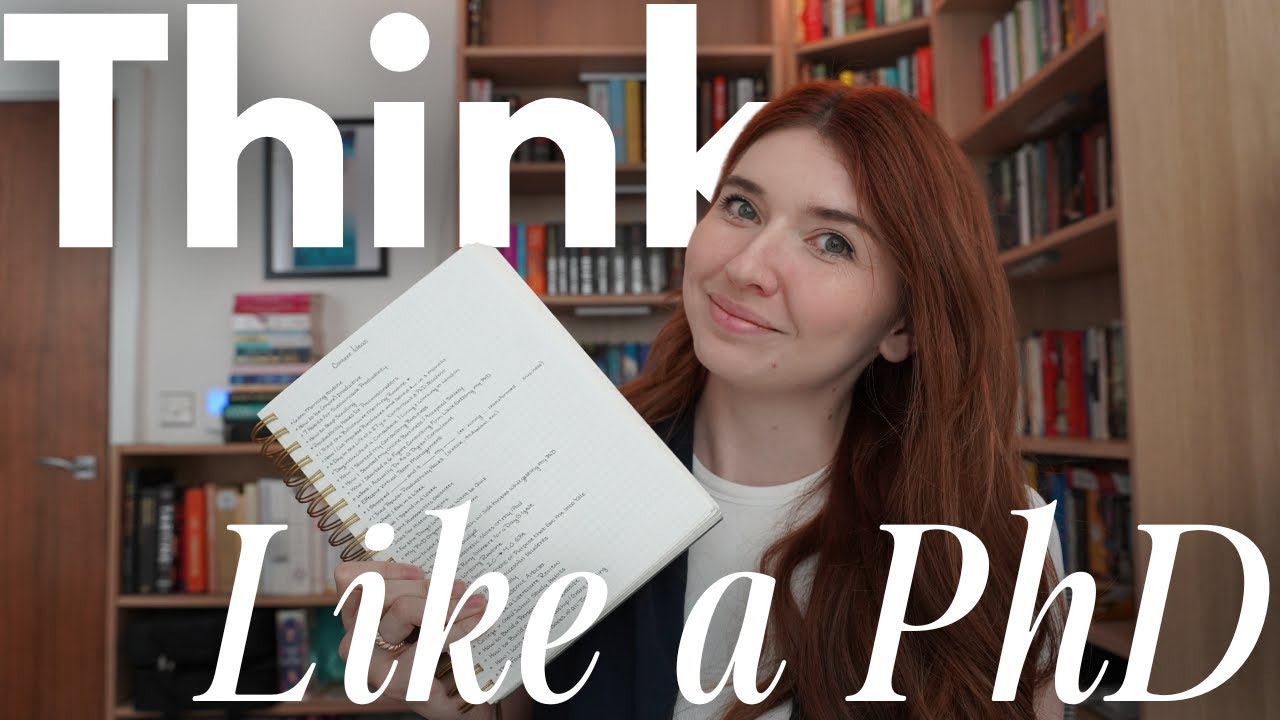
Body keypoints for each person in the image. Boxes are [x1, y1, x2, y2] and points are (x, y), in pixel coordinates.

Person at [334, 81, 1067, 720]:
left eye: (832, 243)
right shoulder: (551, 482)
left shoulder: (996, 537)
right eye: (741, 207)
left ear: (902, 326)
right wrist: (462, 702)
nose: (746, 267)